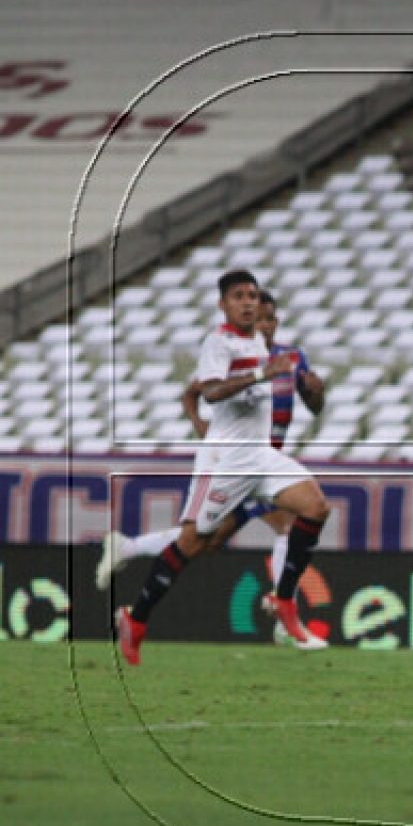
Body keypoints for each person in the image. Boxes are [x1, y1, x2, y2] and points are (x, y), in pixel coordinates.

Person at [115, 270, 331, 666]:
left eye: (253, 296)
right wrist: (261, 375)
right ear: (224, 304)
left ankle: (283, 602)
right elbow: (210, 391)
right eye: (239, 296)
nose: (248, 302)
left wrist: (314, 392)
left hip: (262, 456)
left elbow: (309, 402)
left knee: (316, 507)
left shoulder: (266, 347)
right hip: (225, 461)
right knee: (193, 545)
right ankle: (136, 618)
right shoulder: (219, 342)